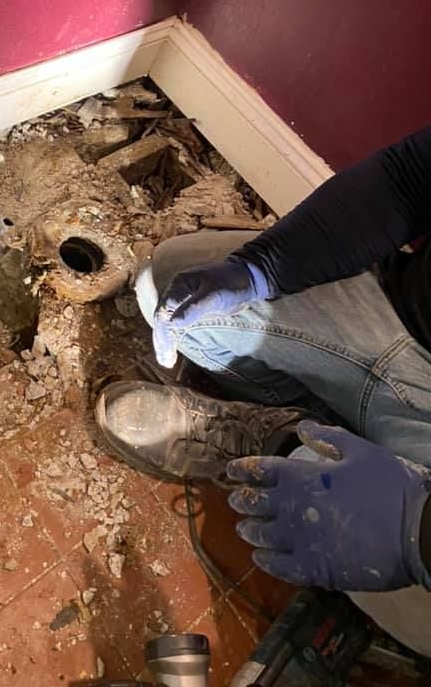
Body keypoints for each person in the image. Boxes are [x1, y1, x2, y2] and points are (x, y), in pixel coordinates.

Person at [94, 126, 431, 655]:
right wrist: (261, 270)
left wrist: (419, 532)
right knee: (165, 284)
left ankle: (276, 451)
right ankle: (306, 430)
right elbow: (408, 182)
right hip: (406, 322)